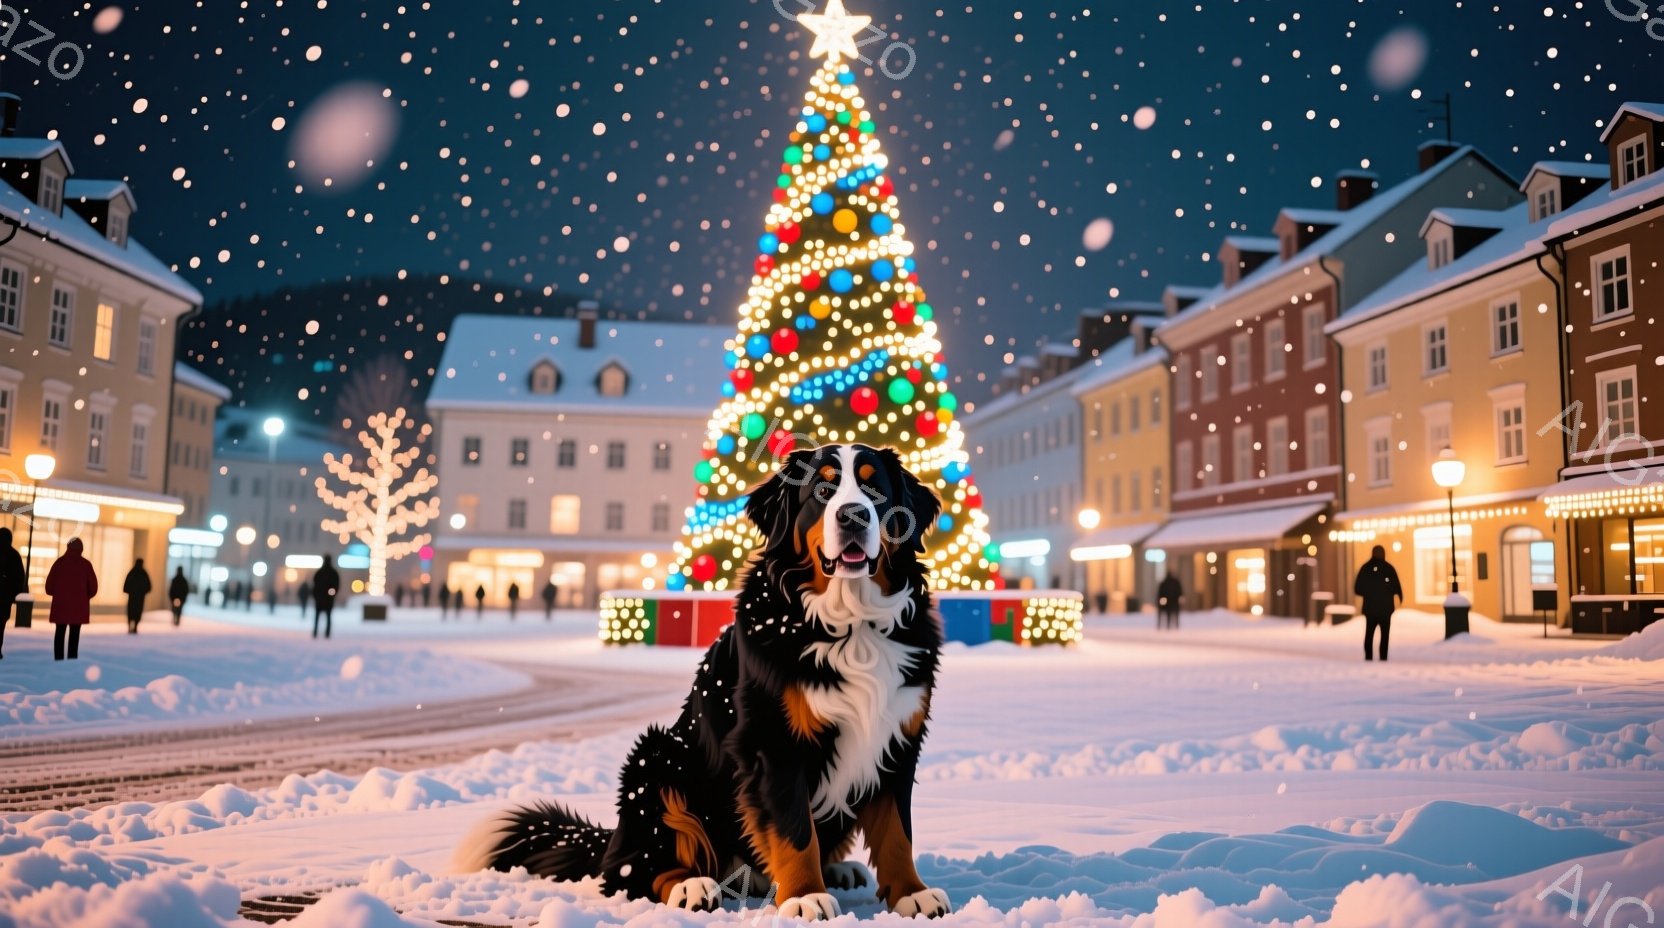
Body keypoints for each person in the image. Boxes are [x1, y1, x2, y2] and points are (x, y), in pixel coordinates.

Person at [46, 538, 98, 661]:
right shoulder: (86, 565)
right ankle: (72, 659)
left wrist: (59, 595)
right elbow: (93, 588)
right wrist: (84, 597)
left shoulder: (59, 563)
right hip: (79, 607)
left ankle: (58, 658)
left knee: (60, 632)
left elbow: (49, 588)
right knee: (75, 633)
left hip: (61, 606)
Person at [1354, 544, 1404, 662]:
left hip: (1371, 609)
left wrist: (1369, 593)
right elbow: (1396, 587)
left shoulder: (1366, 568)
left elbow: (1358, 588)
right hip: (1385, 609)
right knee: (1384, 635)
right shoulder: (1388, 568)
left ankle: (1369, 657)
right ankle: (1382, 657)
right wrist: (1395, 595)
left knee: (1370, 634)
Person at [0, 527, 23, 659]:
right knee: (0, 625)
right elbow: (20, 577)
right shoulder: (14, 555)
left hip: (5, 597)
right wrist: (15, 595)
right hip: (5, 599)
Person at [312, 555, 340, 640]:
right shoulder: (332, 573)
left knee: (318, 616)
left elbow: (315, 584)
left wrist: (316, 595)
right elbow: (336, 586)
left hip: (321, 599)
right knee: (327, 616)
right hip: (327, 599)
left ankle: (316, 632)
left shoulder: (320, 572)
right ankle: (326, 633)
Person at [123, 558, 152, 634]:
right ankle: (135, 626)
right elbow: (148, 586)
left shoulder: (132, 572)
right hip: (140, 598)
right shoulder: (143, 573)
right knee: (137, 612)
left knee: (131, 612)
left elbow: (126, 585)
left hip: (132, 597)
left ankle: (131, 626)